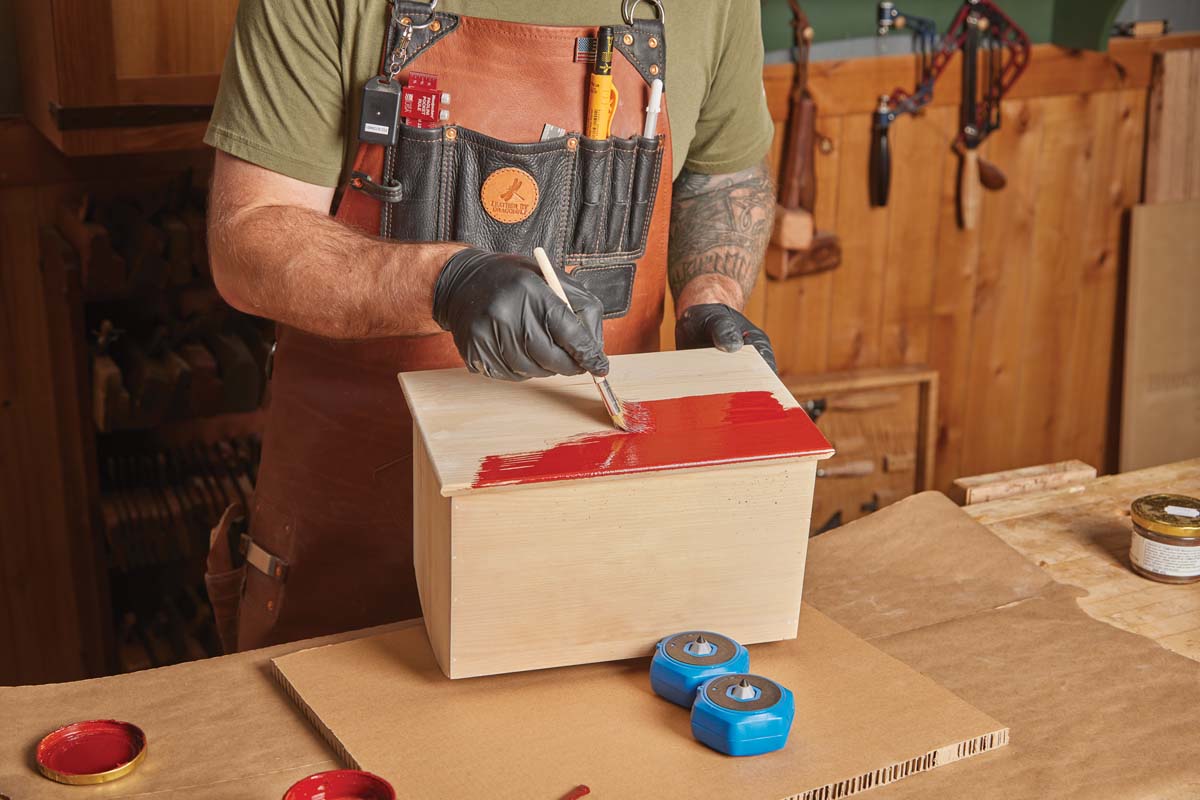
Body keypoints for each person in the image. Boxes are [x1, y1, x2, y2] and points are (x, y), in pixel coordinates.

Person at [203, 0, 779, 651]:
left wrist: (711, 294)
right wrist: (445, 282)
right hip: (358, 547)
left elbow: (720, 175)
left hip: (604, 535)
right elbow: (246, 238)